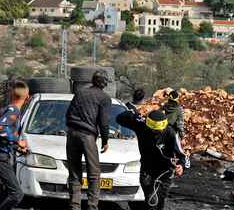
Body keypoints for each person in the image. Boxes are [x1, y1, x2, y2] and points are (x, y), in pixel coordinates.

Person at [117, 109, 190, 210]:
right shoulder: (141, 126)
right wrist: (134, 113)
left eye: (159, 130)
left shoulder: (170, 133)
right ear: (148, 126)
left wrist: (181, 166)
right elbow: (119, 118)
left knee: (159, 202)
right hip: (147, 172)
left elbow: (183, 155)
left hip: (165, 173)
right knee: (151, 201)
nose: (157, 132)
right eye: (154, 130)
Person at [65, 70, 112, 210]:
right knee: (94, 173)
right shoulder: (104, 98)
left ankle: (74, 206)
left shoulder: (80, 93)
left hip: (72, 134)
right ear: (105, 83)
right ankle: (92, 206)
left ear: (92, 80)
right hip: (87, 136)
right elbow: (104, 123)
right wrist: (105, 141)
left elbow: (68, 114)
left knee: (74, 171)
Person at [0, 80, 29, 210]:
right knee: (16, 194)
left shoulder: (11, 109)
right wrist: (18, 141)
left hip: (0, 154)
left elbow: (3, 137)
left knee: (14, 192)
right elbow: (0, 129)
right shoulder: (13, 111)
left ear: (12, 95)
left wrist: (18, 148)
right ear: (27, 97)